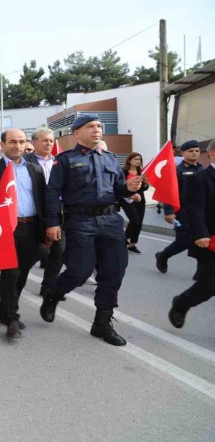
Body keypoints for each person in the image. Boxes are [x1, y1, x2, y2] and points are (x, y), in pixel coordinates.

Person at [41, 114, 143, 346]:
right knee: (79, 271)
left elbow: (117, 189)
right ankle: (53, 294)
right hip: (80, 222)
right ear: (77, 132)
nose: (97, 129)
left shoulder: (110, 158)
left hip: (111, 221)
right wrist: (52, 222)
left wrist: (128, 187)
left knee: (113, 272)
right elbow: (52, 192)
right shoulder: (66, 159)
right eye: (90, 126)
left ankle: (102, 323)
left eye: (99, 126)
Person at [0, 129, 46, 338]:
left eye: (21, 142)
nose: (17, 146)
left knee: (22, 274)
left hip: (31, 228)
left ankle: (3, 311)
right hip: (4, 229)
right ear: (2, 145)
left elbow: (42, 200)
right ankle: (12, 318)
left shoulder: (35, 169)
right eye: (12, 142)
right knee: (10, 273)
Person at [169, 140, 215, 328]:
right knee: (210, 285)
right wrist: (201, 234)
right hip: (210, 239)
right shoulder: (200, 178)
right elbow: (194, 209)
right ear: (212, 154)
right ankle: (181, 303)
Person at [24, 126, 65, 295]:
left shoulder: (59, 161)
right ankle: (13, 283)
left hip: (57, 213)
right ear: (34, 142)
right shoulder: (24, 162)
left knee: (59, 251)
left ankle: (48, 287)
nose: (49, 143)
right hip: (35, 215)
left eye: (51, 140)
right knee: (33, 253)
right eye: (45, 140)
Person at [156, 140, 204, 277]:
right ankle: (163, 255)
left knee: (202, 240)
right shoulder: (177, 170)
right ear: (182, 153)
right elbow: (169, 191)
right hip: (183, 212)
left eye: (197, 150)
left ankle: (201, 271)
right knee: (185, 240)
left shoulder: (202, 169)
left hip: (200, 212)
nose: (194, 153)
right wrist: (169, 211)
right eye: (191, 151)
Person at [119, 152, 149, 254]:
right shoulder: (123, 172)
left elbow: (144, 188)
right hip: (127, 199)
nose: (138, 161)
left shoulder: (142, 172)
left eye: (139, 159)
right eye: (136, 159)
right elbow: (120, 186)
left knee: (139, 223)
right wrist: (130, 194)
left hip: (140, 200)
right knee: (135, 221)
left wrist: (145, 184)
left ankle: (132, 245)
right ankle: (122, 239)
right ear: (129, 160)